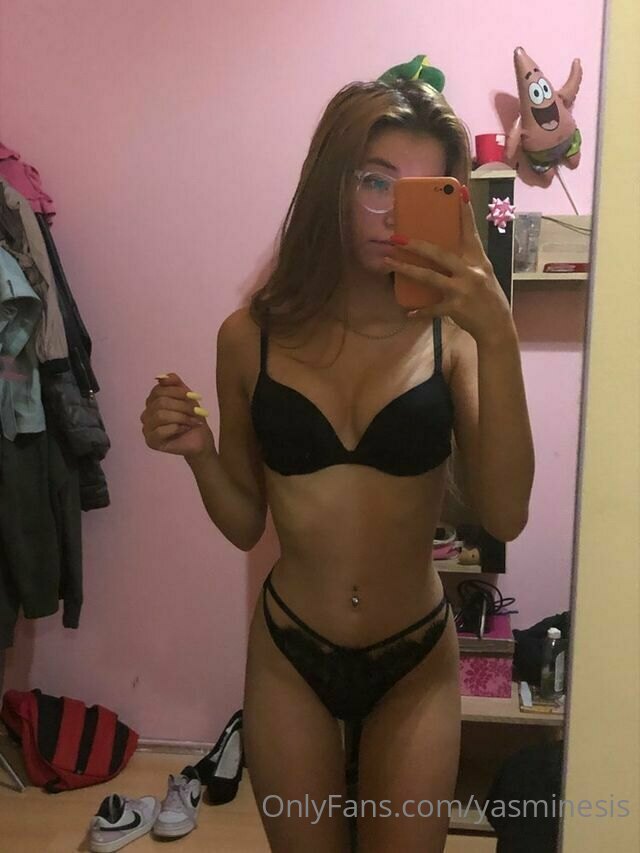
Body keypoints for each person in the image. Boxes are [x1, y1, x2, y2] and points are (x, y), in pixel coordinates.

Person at [140, 77, 534, 852]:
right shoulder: (247, 338)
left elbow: (506, 513)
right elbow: (246, 521)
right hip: (291, 655)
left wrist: (499, 333)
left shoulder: (453, 336)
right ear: (332, 181)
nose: (392, 214)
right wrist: (199, 455)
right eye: (375, 181)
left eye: (419, 191)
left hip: (415, 657)